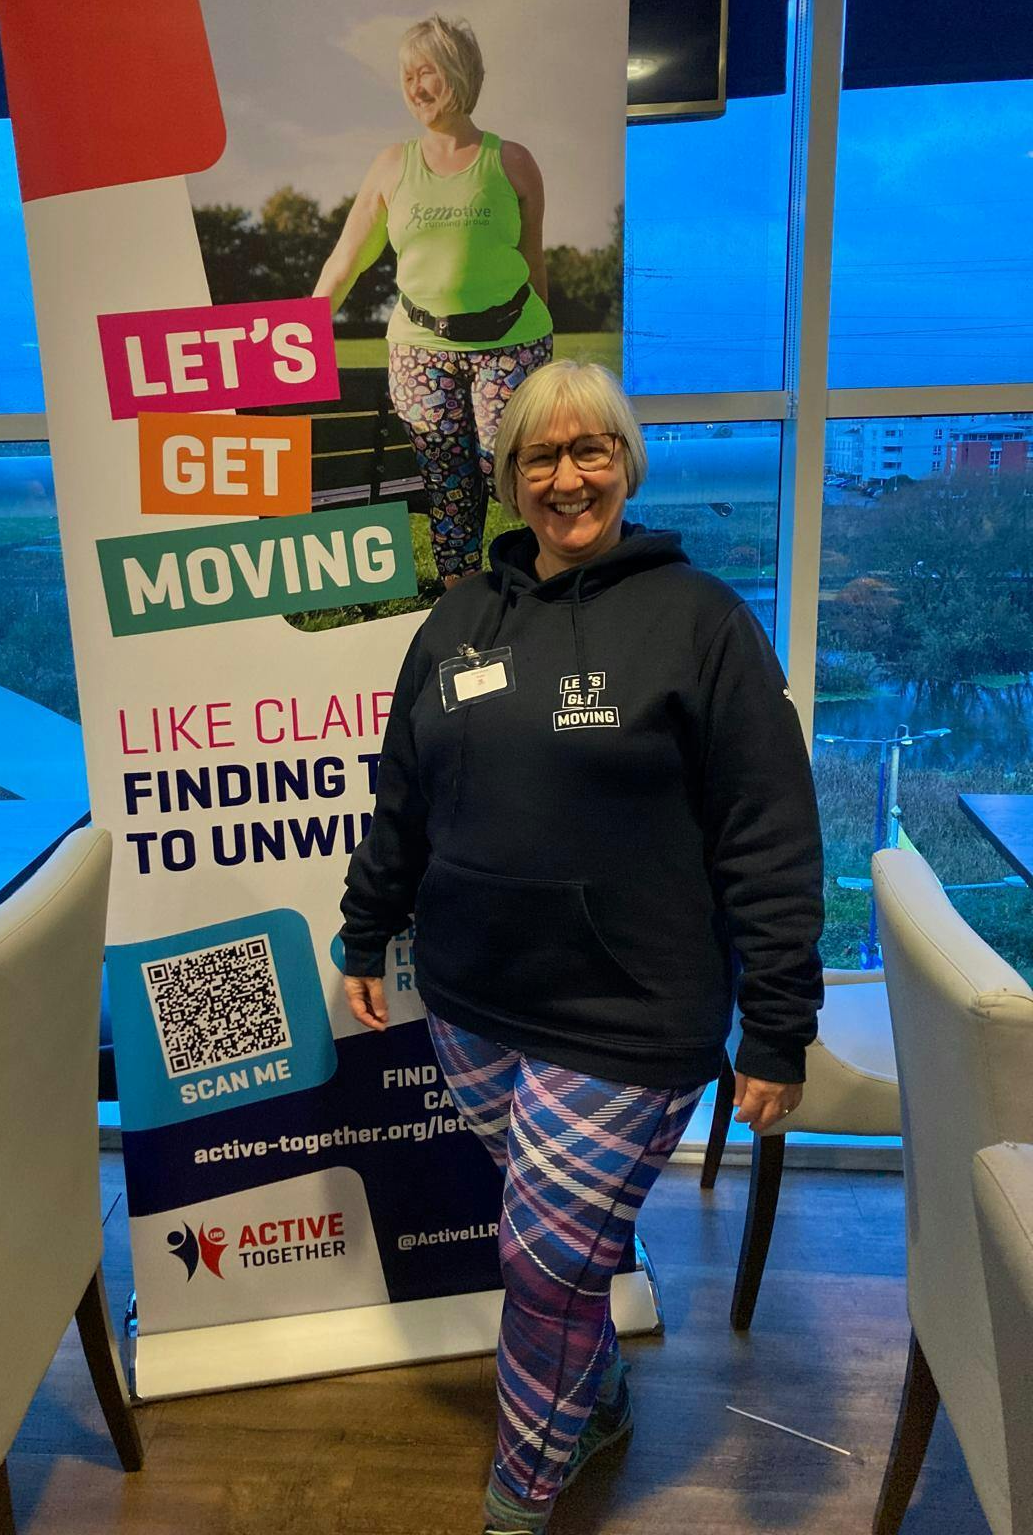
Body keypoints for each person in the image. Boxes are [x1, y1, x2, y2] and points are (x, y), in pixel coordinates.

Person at [337, 359, 825, 1534]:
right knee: (557, 1246)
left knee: (543, 1264)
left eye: (590, 449)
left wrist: (777, 1024)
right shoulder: (460, 618)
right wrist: (366, 924)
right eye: (541, 456)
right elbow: (404, 791)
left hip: (630, 1011)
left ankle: (522, 1492)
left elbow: (770, 833)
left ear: (627, 462)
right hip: (473, 999)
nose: (568, 477)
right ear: (509, 478)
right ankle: (593, 1396)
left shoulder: (702, 621)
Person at [313, 14, 554, 588]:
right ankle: (460, 595)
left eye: (427, 73)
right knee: (447, 476)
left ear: (460, 73)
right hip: (421, 349)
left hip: (511, 343)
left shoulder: (513, 162)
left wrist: (550, 359)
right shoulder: (392, 166)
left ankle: (545, 577)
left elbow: (533, 260)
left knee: (508, 469)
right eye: (406, 76)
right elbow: (345, 260)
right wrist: (299, 337)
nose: (415, 88)